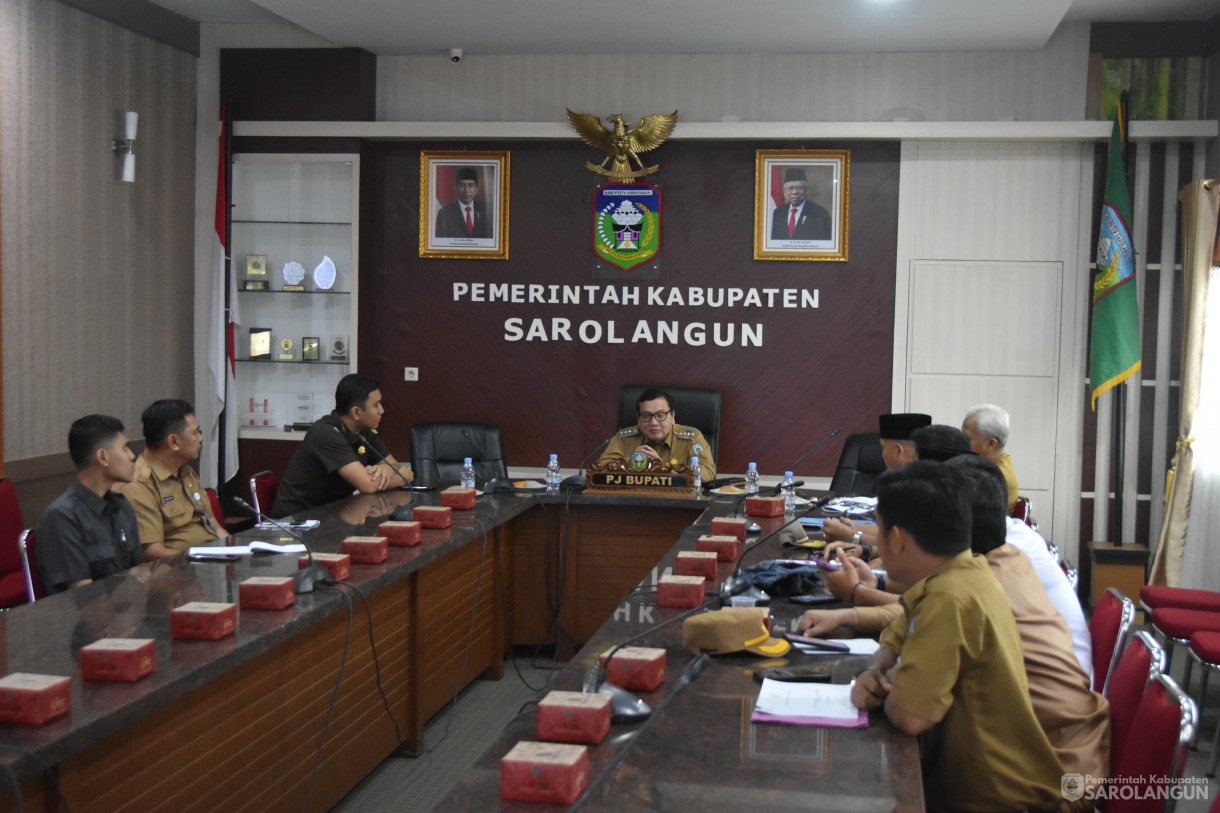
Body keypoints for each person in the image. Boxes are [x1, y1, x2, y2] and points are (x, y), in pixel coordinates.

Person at [848, 461, 1065, 813]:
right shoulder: (963, 570)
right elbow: (894, 638)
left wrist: (879, 689)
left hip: (996, 798)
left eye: (880, 530)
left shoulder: (950, 598)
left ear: (899, 539)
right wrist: (874, 671)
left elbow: (909, 716)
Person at [273, 373, 413, 516]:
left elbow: (394, 465)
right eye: (376, 405)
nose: (382, 410)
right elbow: (368, 485)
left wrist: (387, 469)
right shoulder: (325, 433)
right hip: (298, 521)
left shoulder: (363, 431)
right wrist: (402, 478)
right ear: (356, 412)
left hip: (333, 513)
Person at [36, 415, 143, 593]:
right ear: (103, 457)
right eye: (125, 448)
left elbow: (141, 574)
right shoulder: (62, 516)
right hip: (89, 617)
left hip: (129, 608)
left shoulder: (122, 506)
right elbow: (83, 598)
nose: (132, 456)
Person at [120, 399, 228, 559]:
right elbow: (152, 552)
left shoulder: (185, 470)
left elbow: (213, 524)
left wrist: (234, 552)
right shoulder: (140, 484)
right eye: (195, 433)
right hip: (178, 571)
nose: (200, 438)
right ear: (174, 442)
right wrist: (202, 561)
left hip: (211, 561)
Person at [823, 412, 930, 550]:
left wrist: (853, 537)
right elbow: (893, 532)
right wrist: (853, 527)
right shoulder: (909, 478)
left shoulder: (925, 488)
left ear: (899, 450)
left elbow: (906, 546)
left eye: (884, 447)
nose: (882, 454)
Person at [598, 389, 717, 480]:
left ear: (673, 416)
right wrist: (627, 464)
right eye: (646, 416)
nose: (653, 422)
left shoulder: (691, 438)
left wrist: (663, 468)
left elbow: (707, 473)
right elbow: (599, 470)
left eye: (660, 415)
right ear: (638, 418)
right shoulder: (624, 439)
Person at [963, 402, 1020, 511]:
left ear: (991, 444)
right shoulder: (995, 465)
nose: (961, 442)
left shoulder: (995, 478)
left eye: (967, 438)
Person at [769, 167, 831, 241]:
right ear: (784, 191)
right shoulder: (778, 212)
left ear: (806, 190)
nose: (794, 192)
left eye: (799, 188)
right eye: (790, 188)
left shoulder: (820, 214)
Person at [435, 167, 490, 239]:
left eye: (471, 185)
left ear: (476, 190)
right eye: (462, 185)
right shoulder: (444, 213)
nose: (466, 190)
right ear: (457, 188)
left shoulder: (485, 212)